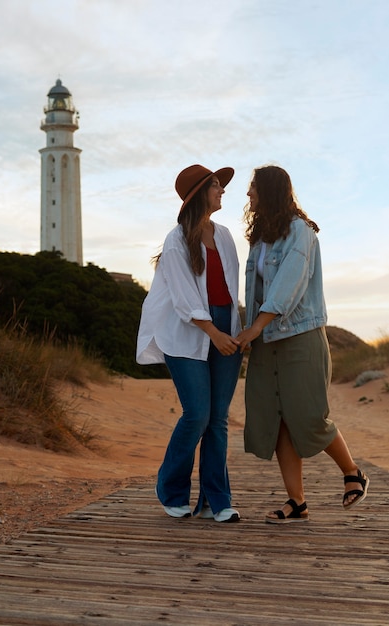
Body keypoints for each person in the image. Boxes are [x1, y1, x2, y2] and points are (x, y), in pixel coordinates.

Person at [236, 165, 369, 524]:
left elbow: (287, 288)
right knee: (277, 421)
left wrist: (254, 328)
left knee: (308, 416)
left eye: (253, 189)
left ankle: (353, 472)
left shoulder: (301, 233)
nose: (248, 195)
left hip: (300, 338)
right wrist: (250, 330)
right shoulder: (260, 237)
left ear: (270, 191)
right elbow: (254, 290)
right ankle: (297, 502)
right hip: (266, 340)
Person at [136, 164, 243, 523]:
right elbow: (184, 299)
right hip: (186, 334)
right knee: (197, 413)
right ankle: (171, 488)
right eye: (216, 186)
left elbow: (230, 290)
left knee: (217, 419)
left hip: (225, 325)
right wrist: (214, 333)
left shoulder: (225, 235)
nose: (223, 191)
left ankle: (218, 499)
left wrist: (238, 332)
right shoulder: (176, 239)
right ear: (200, 194)